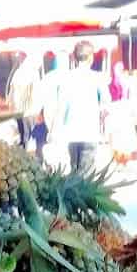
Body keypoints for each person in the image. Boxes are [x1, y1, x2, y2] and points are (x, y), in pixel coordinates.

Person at [51, 41, 106, 173]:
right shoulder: (97, 78)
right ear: (91, 57)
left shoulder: (67, 78)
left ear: (74, 58)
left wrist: (54, 132)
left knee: (75, 172)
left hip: (71, 133)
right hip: (90, 132)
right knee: (86, 176)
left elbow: (61, 107)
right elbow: (105, 105)